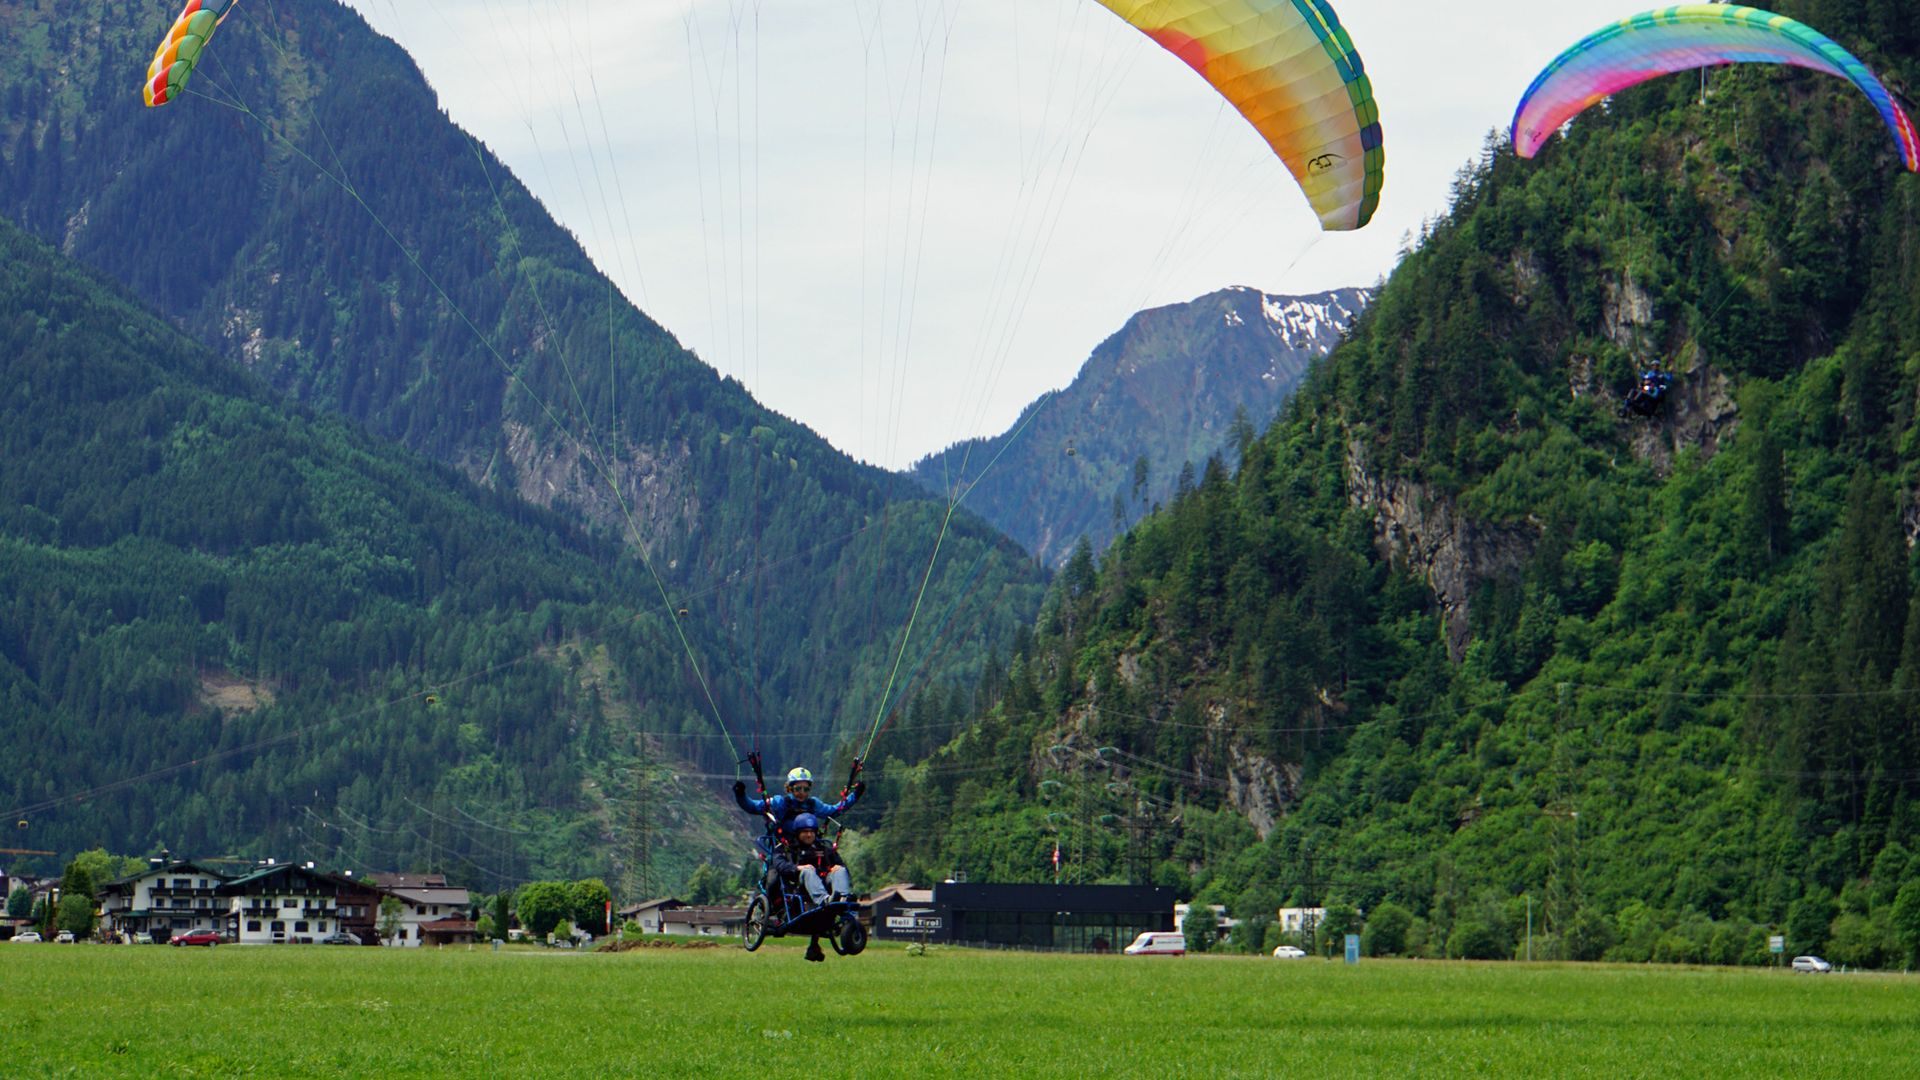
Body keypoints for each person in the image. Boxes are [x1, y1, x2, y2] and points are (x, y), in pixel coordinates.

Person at [732, 766, 863, 838]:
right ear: (789, 788)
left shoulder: (813, 804)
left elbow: (836, 810)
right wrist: (741, 794)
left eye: (806, 789)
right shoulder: (779, 802)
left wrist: (855, 795)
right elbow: (752, 807)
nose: (802, 793)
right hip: (785, 847)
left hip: (809, 845)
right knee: (773, 881)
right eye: (798, 789)